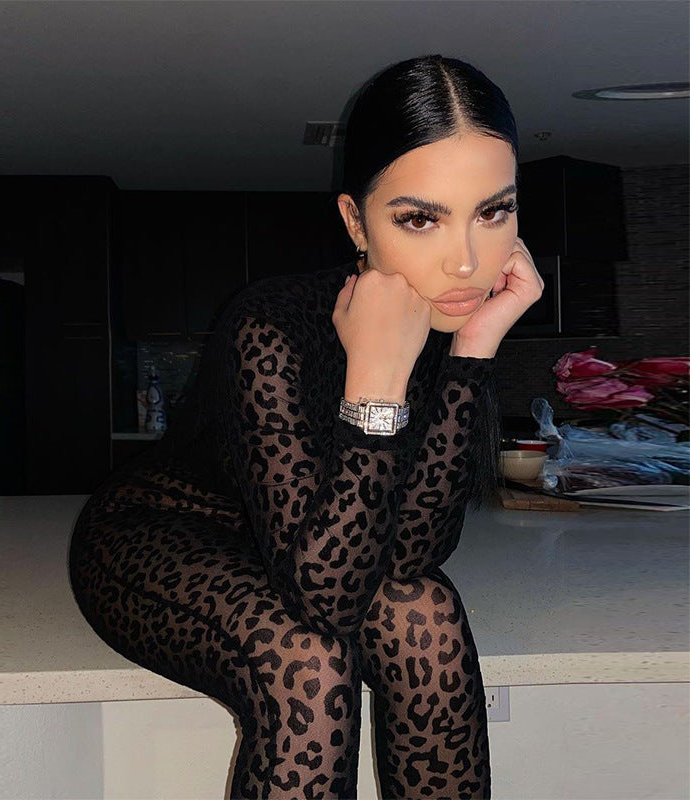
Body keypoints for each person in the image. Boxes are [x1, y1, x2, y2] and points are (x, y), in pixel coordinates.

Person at [68, 53, 543, 800]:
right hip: (169, 529)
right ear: (356, 221)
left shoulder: (454, 324)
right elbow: (327, 600)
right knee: (307, 662)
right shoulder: (272, 324)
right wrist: (377, 377)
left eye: (493, 212)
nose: (466, 262)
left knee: (425, 611)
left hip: (311, 547)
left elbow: (411, 555)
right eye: (420, 219)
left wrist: (475, 351)